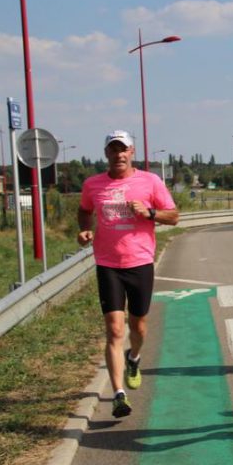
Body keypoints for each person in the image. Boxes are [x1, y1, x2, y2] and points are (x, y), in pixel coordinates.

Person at [77, 130, 179, 418]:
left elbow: (173, 216)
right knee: (114, 329)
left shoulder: (150, 181)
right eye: (113, 149)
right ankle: (118, 394)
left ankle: (133, 357)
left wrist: (149, 213)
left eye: (123, 149)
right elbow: (84, 210)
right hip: (107, 263)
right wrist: (84, 229)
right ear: (106, 153)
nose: (119, 154)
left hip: (140, 262)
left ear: (132, 152)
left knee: (139, 327)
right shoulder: (93, 184)